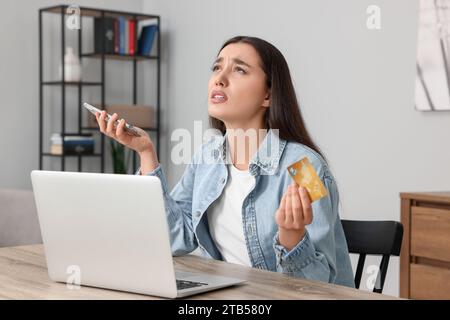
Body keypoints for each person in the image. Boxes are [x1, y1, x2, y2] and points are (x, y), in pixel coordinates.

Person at [95, 36, 355, 287]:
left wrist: (292, 239)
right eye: (217, 67)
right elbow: (176, 238)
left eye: (239, 70)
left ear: (268, 96)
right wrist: (146, 153)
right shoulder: (208, 157)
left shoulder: (305, 167)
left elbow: (320, 286)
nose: (219, 79)